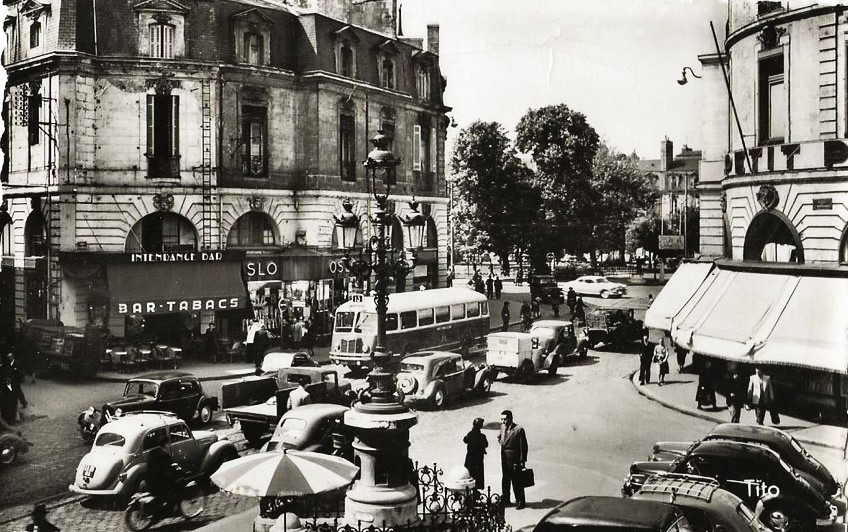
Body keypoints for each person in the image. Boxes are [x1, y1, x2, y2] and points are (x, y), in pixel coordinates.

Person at [498, 410, 528, 509]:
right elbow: (501, 438)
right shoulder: (502, 427)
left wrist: (522, 461)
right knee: (505, 480)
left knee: (517, 481)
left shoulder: (518, 430)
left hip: (515, 460)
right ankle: (506, 499)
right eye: (502, 419)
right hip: (504, 459)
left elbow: (523, 447)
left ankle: (520, 501)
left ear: (511, 418)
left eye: (505, 419)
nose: (503, 421)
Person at [146, 433, 179, 511]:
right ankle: (171, 508)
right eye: (168, 443)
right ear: (165, 444)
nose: (169, 445)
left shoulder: (153, 452)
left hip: (150, 480)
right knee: (174, 487)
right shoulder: (164, 454)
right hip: (159, 482)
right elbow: (167, 469)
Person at [463, 417, 488, 489]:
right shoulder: (482, 436)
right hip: (477, 459)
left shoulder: (470, 434)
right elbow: (486, 444)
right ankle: (475, 489)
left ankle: (470, 489)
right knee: (477, 475)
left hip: (470, 459)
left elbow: (465, 440)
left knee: (470, 474)